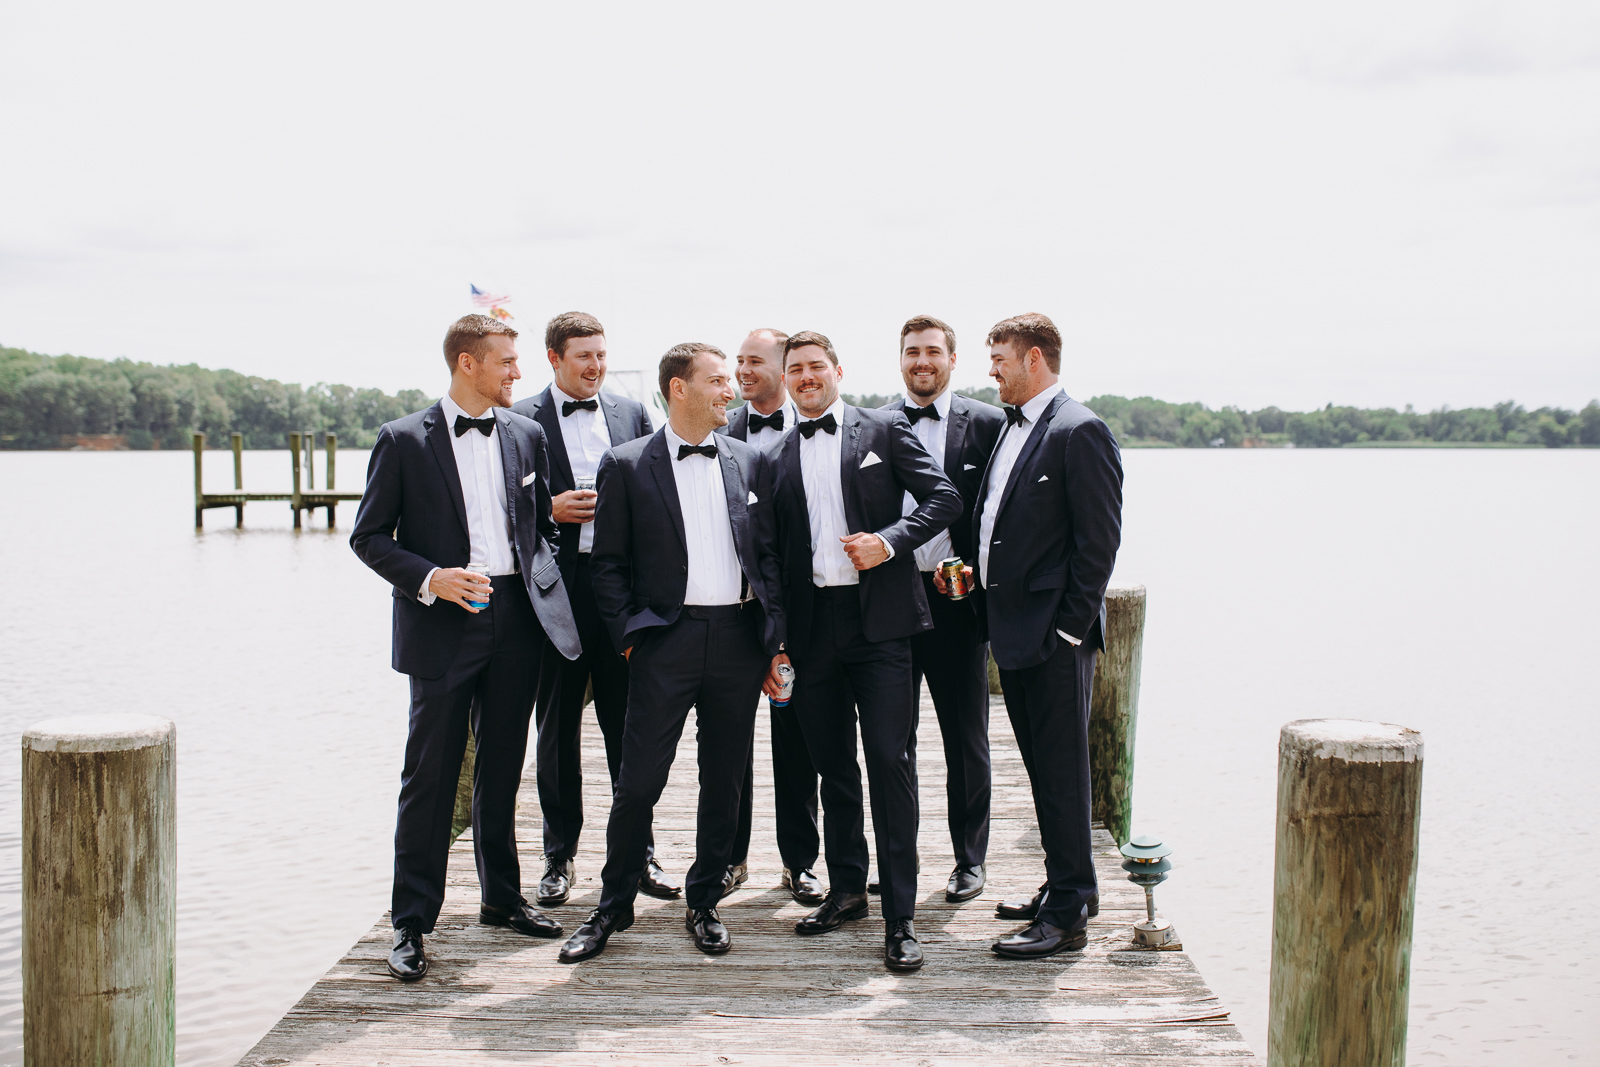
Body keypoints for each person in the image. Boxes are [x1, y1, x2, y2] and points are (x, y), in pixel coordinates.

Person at [350, 314, 581, 982]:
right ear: (467, 364)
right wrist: (431, 579)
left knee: (503, 767)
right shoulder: (401, 440)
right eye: (508, 361)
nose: (519, 372)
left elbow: (540, 532)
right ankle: (412, 923)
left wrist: (537, 581)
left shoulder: (528, 434)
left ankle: (502, 899)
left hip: (516, 620)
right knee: (430, 774)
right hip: (441, 622)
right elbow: (369, 537)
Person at [557, 343, 789, 962]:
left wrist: (773, 641)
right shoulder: (626, 464)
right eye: (716, 381)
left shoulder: (752, 461)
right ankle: (611, 907)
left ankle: (704, 901)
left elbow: (766, 559)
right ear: (677, 389)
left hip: (739, 641)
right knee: (638, 784)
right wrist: (634, 640)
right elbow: (607, 566)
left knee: (724, 781)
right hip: (665, 642)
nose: (730, 391)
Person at [767, 330, 961, 973]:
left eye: (816, 366)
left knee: (889, 760)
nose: (805, 377)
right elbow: (769, 556)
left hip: (880, 625)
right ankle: (848, 888)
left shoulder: (883, 430)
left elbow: (944, 498)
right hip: (812, 627)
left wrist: (890, 540)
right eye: (794, 370)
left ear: (837, 371)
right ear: (786, 379)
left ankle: (901, 916)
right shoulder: (772, 454)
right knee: (832, 765)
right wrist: (775, 641)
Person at [942, 312, 1123, 960]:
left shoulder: (1081, 430)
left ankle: (1068, 913)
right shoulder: (1013, 429)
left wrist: (1070, 632)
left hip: (1052, 641)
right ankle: (1067, 883)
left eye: (1000, 359)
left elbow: (1097, 545)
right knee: (1045, 774)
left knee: (1064, 775)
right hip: (1010, 632)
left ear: (1036, 359)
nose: (991, 370)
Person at [510, 312, 678, 906]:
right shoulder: (520, 419)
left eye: (602, 355)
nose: (596, 366)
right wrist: (548, 510)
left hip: (618, 588)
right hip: (556, 587)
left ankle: (641, 850)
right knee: (555, 724)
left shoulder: (633, 414)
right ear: (554, 358)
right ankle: (560, 856)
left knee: (630, 724)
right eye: (583, 356)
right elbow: (498, 510)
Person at [880, 315, 1005, 904]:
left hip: (959, 600)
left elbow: (999, 508)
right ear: (900, 360)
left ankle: (969, 860)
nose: (921, 361)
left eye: (932, 351)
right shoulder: (874, 425)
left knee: (966, 736)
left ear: (952, 360)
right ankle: (898, 859)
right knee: (892, 740)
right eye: (911, 352)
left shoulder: (988, 422)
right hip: (892, 598)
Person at [716, 327, 824, 907]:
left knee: (796, 738)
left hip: (796, 613)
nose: (741, 372)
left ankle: (800, 862)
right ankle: (731, 858)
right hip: (733, 610)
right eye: (737, 362)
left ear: (785, 368)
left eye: (753, 362)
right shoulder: (720, 428)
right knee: (730, 744)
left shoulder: (810, 432)